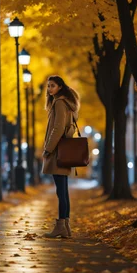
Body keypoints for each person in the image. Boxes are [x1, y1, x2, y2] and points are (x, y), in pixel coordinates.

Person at [42, 75, 80, 238]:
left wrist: (48, 148)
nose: (49, 89)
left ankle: (61, 227)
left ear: (60, 87)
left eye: (53, 86)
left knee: (61, 191)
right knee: (63, 191)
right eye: (48, 86)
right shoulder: (68, 104)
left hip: (58, 152)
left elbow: (57, 128)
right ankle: (65, 227)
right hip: (64, 151)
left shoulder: (59, 103)